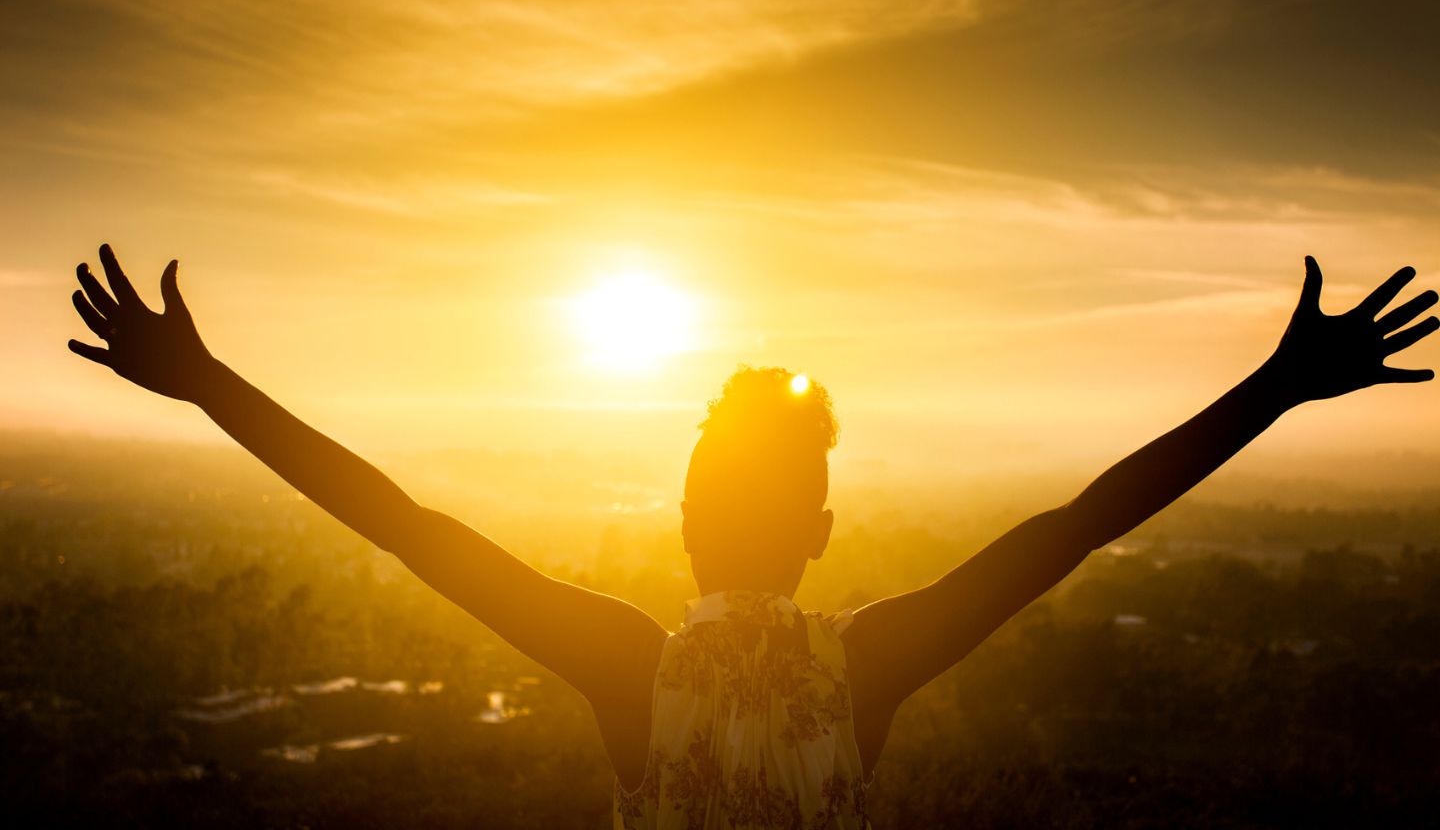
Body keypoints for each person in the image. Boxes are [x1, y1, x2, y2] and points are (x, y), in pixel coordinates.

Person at [67, 244, 1437, 830]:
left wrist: (210, 386)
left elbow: (405, 528)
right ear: (826, 533)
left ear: (679, 520)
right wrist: (1274, 386)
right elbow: (1080, 527)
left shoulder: (622, 665)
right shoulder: (869, 666)